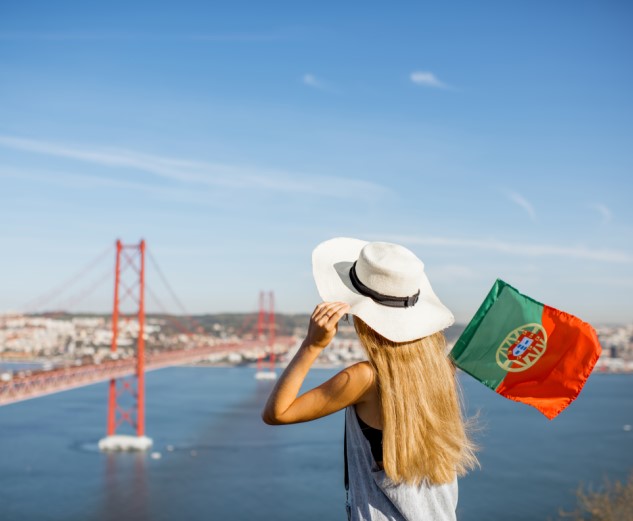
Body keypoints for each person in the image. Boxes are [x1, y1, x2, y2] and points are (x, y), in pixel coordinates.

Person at [262, 238, 478, 520]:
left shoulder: (364, 379)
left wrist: (312, 345)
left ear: (361, 315)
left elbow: (277, 413)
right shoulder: (440, 371)